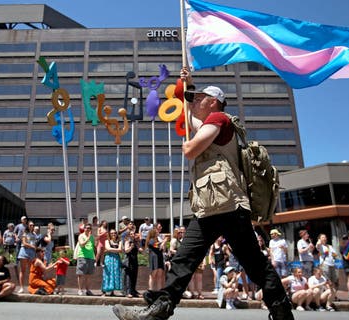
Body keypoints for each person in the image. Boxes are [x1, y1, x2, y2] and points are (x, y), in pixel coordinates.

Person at [112, 68, 293, 320]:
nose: (196, 101)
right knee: (186, 259)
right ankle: (159, 309)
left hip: (227, 205)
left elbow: (191, 148)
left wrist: (188, 144)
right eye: (195, 97)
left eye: (200, 98)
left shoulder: (219, 118)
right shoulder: (210, 121)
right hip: (211, 206)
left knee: (253, 263)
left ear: (214, 101)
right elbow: (188, 115)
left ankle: (281, 310)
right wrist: (188, 83)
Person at [315, 233, 338, 301]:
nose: (324, 238)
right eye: (322, 237)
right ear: (319, 239)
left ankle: (333, 295)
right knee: (328, 281)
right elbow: (318, 245)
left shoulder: (329, 246)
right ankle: (329, 295)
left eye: (325, 237)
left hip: (332, 264)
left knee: (333, 280)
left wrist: (334, 257)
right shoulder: (320, 246)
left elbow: (335, 254)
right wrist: (319, 240)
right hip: (325, 264)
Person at [16, 221, 37, 293]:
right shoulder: (25, 233)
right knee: (23, 270)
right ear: (28, 226)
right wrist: (32, 246)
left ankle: (30, 287)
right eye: (31, 225)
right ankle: (21, 287)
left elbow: (35, 243)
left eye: (33, 225)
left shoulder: (34, 234)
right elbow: (24, 243)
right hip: (24, 251)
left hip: (32, 252)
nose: (32, 226)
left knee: (31, 270)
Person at [76, 223, 96, 296]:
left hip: (90, 257)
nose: (88, 229)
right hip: (82, 257)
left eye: (89, 228)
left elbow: (94, 246)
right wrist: (88, 238)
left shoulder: (92, 237)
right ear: (84, 229)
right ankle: (80, 290)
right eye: (86, 228)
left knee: (89, 275)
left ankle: (88, 290)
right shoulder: (81, 236)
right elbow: (81, 244)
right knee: (80, 274)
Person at [102, 229, 123, 296]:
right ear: (109, 234)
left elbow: (120, 250)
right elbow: (108, 248)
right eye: (112, 233)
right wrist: (116, 250)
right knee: (107, 274)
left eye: (115, 233)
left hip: (116, 259)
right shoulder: (107, 241)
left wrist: (111, 250)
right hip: (108, 259)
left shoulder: (119, 241)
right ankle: (104, 291)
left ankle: (112, 291)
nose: (113, 234)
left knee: (115, 273)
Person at [122, 225, 141, 298]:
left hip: (134, 260)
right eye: (131, 234)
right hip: (129, 260)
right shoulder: (127, 241)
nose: (133, 235)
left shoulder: (135, 242)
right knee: (128, 276)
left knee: (134, 276)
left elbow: (141, 250)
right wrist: (131, 247)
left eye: (133, 234)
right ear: (129, 235)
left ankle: (133, 291)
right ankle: (128, 292)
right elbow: (126, 250)